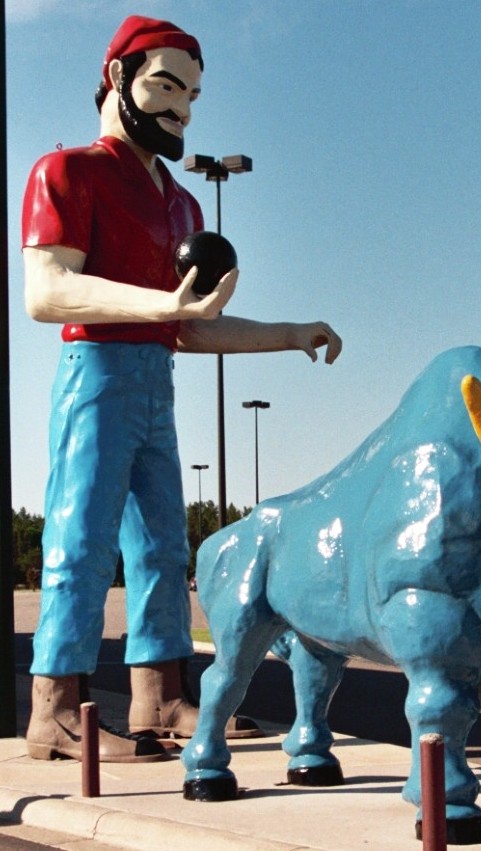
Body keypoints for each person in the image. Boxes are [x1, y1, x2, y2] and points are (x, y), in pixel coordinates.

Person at [22, 15, 342, 763]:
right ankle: (55, 707)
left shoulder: (182, 203)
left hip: (151, 383)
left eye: (192, 94)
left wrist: (289, 331)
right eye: (166, 87)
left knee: (164, 546)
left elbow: (190, 328)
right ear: (116, 80)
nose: (182, 109)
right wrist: (163, 306)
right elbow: (46, 289)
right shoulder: (66, 171)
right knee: (81, 541)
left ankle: (160, 694)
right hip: (96, 373)